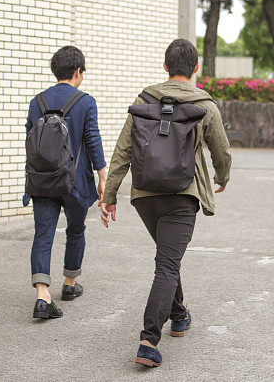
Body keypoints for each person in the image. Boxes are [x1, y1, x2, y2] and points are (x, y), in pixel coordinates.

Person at [100, 38, 232, 367]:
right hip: (182, 197)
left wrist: (109, 195)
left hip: (145, 196)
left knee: (167, 259)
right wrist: (222, 178)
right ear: (196, 68)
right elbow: (222, 152)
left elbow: (123, 151)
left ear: (165, 67)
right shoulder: (206, 105)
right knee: (168, 265)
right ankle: (148, 341)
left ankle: (180, 314)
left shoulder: (144, 100)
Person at [24, 46, 106, 319]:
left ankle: (42, 294)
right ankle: (70, 284)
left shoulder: (37, 102)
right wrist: (103, 175)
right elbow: (92, 139)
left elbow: (30, 142)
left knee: (43, 233)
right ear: (77, 72)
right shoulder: (85, 101)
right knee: (75, 230)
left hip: (43, 181)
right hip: (75, 182)